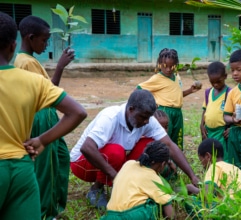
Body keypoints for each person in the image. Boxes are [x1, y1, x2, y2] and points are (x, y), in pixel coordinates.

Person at [0, 12, 86, 220]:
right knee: (46, 170)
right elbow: (77, 111)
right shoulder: (28, 74)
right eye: (45, 40)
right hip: (21, 167)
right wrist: (42, 140)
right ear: (14, 45)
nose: (46, 44)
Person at [69, 89, 199, 209]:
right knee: (116, 152)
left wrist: (192, 176)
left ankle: (140, 184)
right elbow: (87, 148)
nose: (147, 122)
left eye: (149, 117)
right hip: (82, 164)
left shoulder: (146, 119)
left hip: (110, 160)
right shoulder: (110, 117)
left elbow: (169, 145)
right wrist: (117, 177)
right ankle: (96, 190)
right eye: (143, 117)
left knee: (152, 144)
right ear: (130, 109)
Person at [136, 48, 201, 150]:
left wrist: (189, 91)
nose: (168, 69)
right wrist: (151, 104)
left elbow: (175, 95)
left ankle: (175, 162)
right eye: (165, 66)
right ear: (159, 64)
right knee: (164, 138)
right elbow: (139, 88)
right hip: (165, 112)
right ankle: (163, 162)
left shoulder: (176, 76)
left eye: (172, 66)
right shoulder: (157, 78)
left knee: (177, 138)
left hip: (177, 112)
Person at [101, 141, 174, 220]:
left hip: (111, 215)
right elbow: (168, 208)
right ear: (163, 164)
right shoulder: (152, 177)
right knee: (155, 203)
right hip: (134, 215)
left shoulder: (128, 164)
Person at [185, 138, 241, 218]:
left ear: (208, 156)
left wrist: (191, 189)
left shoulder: (214, 167)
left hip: (233, 208)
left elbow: (207, 195)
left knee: (189, 201)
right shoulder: (233, 167)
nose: (202, 165)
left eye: (201, 160)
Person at [200, 61, 231, 161]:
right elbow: (205, 110)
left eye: (218, 81)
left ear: (225, 76)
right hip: (209, 132)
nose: (215, 84)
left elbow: (235, 114)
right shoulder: (208, 92)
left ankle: (223, 174)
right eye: (212, 82)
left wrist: (232, 128)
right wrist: (202, 125)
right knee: (210, 155)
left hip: (222, 132)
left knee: (223, 156)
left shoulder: (230, 93)